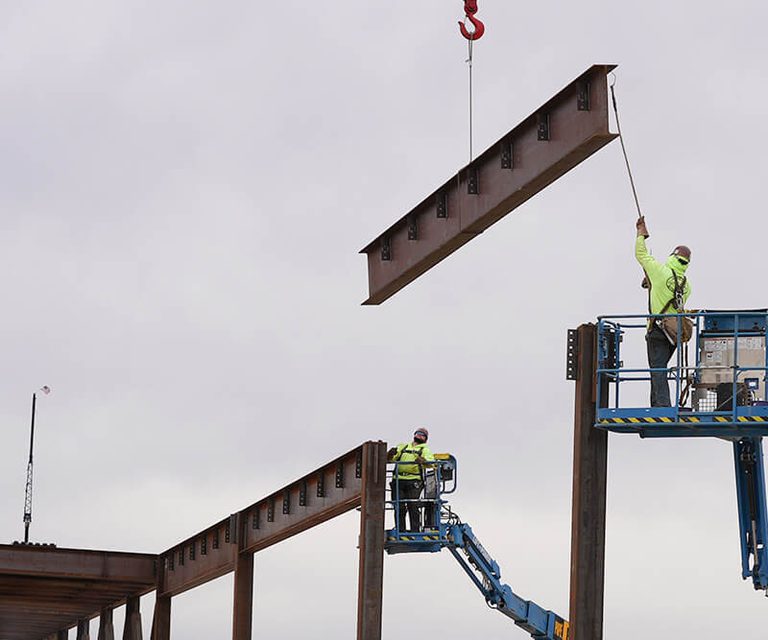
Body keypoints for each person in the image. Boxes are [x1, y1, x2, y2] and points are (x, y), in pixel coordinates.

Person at [635, 215, 692, 407]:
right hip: (673, 333)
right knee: (658, 368)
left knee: (657, 368)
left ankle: (662, 405)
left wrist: (640, 234)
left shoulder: (660, 272)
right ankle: (656, 403)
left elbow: (641, 255)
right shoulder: (687, 285)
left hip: (658, 330)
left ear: (672, 256)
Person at [387, 428, 435, 532]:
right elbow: (391, 458)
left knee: (413, 505)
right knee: (399, 506)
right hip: (398, 480)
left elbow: (431, 463)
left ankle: (415, 530)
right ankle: (400, 529)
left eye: (423, 435)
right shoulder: (403, 447)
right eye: (418, 434)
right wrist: (390, 454)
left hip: (414, 481)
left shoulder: (425, 450)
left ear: (425, 439)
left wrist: (423, 461)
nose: (420, 436)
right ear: (414, 435)